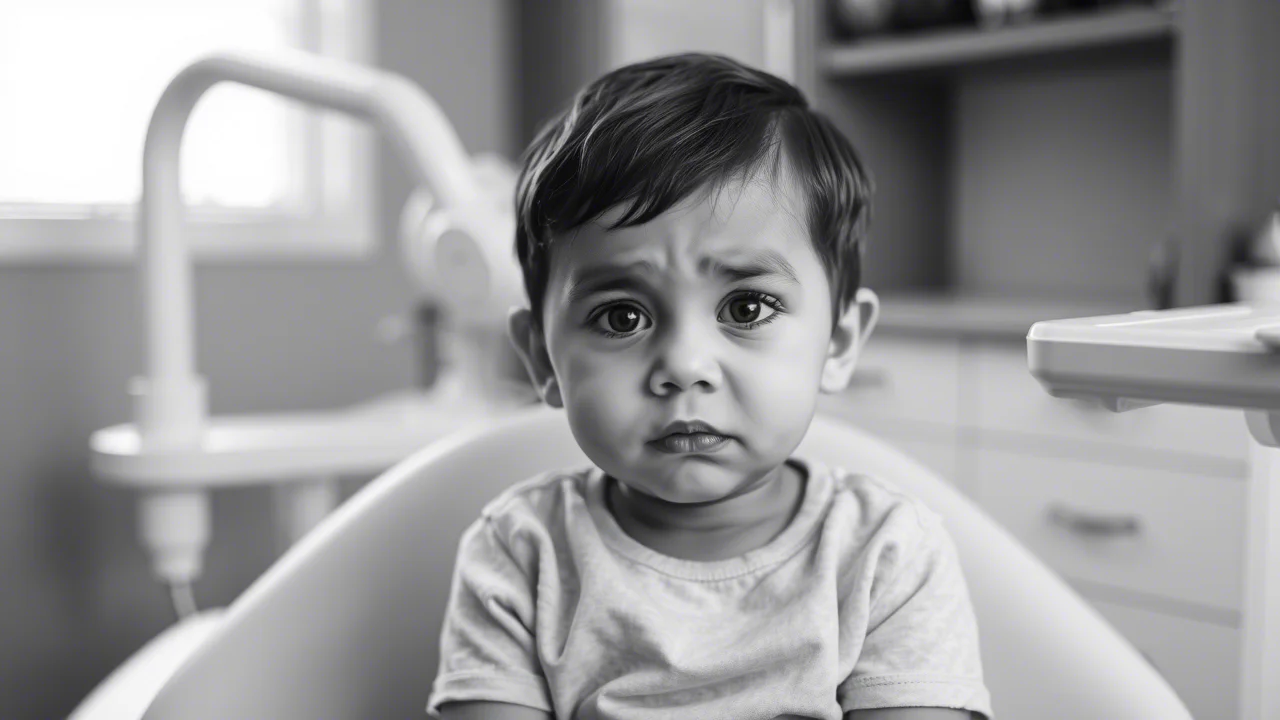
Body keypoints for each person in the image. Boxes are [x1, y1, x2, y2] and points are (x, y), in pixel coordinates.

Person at [427, 53, 991, 720]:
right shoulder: (522, 555)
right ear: (542, 360)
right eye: (621, 317)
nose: (685, 366)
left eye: (746, 308)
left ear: (838, 343)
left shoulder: (885, 555)